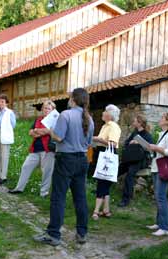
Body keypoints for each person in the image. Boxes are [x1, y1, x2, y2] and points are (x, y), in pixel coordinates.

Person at [34, 88, 94, 246]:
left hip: (66, 159)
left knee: (58, 197)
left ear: (73, 99)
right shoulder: (89, 118)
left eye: (70, 97)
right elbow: (88, 143)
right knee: (80, 197)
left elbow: (59, 137)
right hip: (82, 159)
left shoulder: (65, 115)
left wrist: (48, 131)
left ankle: (54, 234)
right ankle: (82, 233)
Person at [9, 100, 56, 197]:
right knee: (26, 167)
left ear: (52, 110)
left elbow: (49, 131)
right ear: (42, 109)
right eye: (45, 108)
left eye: (49, 108)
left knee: (46, 172)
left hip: (48, 150)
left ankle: (44, 193)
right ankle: (19, 188)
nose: (46, 110)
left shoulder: (55, 120)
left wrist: (38, 131)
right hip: (35, 149)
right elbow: (30, 132)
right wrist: (43, 132)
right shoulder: (38, 120)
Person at [146, 112, 168, 236]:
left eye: (162, 118)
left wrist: (156, 148)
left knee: (161, 197)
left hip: (163, 169)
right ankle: (159, 223)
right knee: (158, 196)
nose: (160, 119)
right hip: (157, 168)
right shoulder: (163, 134)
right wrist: (152, 148)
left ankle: (164, 227)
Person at [91, 104, 121, 220]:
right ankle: (106, 210)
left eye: (105, 111)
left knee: (102, 181)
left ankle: (96, 211)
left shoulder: (113, 126)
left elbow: (113, 144)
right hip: (102, 152)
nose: (103, 113)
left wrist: (99, 139)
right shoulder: (105, 126)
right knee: (104, 182)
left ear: (110, 114)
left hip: (108, 154)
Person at [117, 114, 153, 207]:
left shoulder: (147, 135)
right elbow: (126, 143)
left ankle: (126, 200)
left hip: (140, 160)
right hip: (130, 158)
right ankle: (103, 191)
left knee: (130, 174)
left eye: (135, 121)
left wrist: (139, 143)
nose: (133, 122)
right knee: (117, 170)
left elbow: (150, 149)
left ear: (140, 123)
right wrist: (131, 142)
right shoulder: (135, 132)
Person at [0, 94, 16, 185]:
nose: (0, 103)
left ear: (6, 103)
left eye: (2, 102)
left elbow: (13, 125)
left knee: (4, 156)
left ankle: (3, 177)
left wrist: (6, 131)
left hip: (5, 134)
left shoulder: (10, 112)